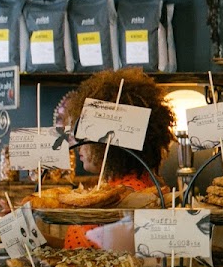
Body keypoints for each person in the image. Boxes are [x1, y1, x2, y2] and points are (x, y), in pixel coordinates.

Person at [60, 68, 177, 248]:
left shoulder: (126, 196)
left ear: (109, 144)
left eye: (86, 136)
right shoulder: (126, 186)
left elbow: (101, 260)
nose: (79, 146)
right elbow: (77, 250)